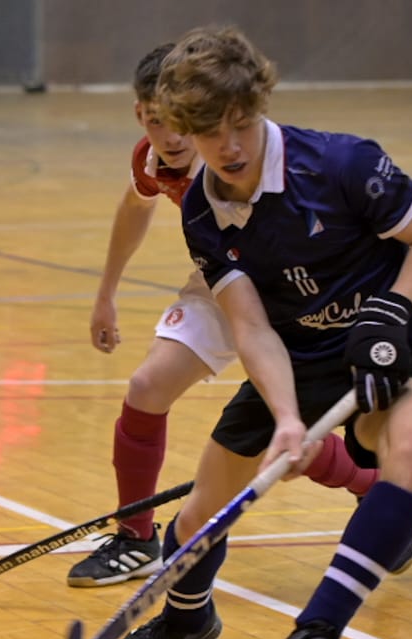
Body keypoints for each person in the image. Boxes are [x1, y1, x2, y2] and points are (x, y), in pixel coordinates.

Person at [101, 26, 412, 639]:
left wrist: (392, 309)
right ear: (181, 130)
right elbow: (251, 326)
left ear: (260, 106)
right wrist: (290, 419)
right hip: (293, 360)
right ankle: (185, 619)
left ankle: (315, 634)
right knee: (202, 515)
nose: (230, 146)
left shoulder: (343, 163)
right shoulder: (203, 210)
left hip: (381, 355)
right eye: (210, 133)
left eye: (242, 124)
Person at [67, 44, 382, 586]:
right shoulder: (152, 160)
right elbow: (134, 205)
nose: (170, 138)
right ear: (141, 115)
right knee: (146, 387)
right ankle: (135, 537)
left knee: (275, 432)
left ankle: (373, 489)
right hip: (223, 280)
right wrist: (106, 292)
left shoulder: (245, 158)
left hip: (295, 286)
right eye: (155, 121)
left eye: (181, 124)